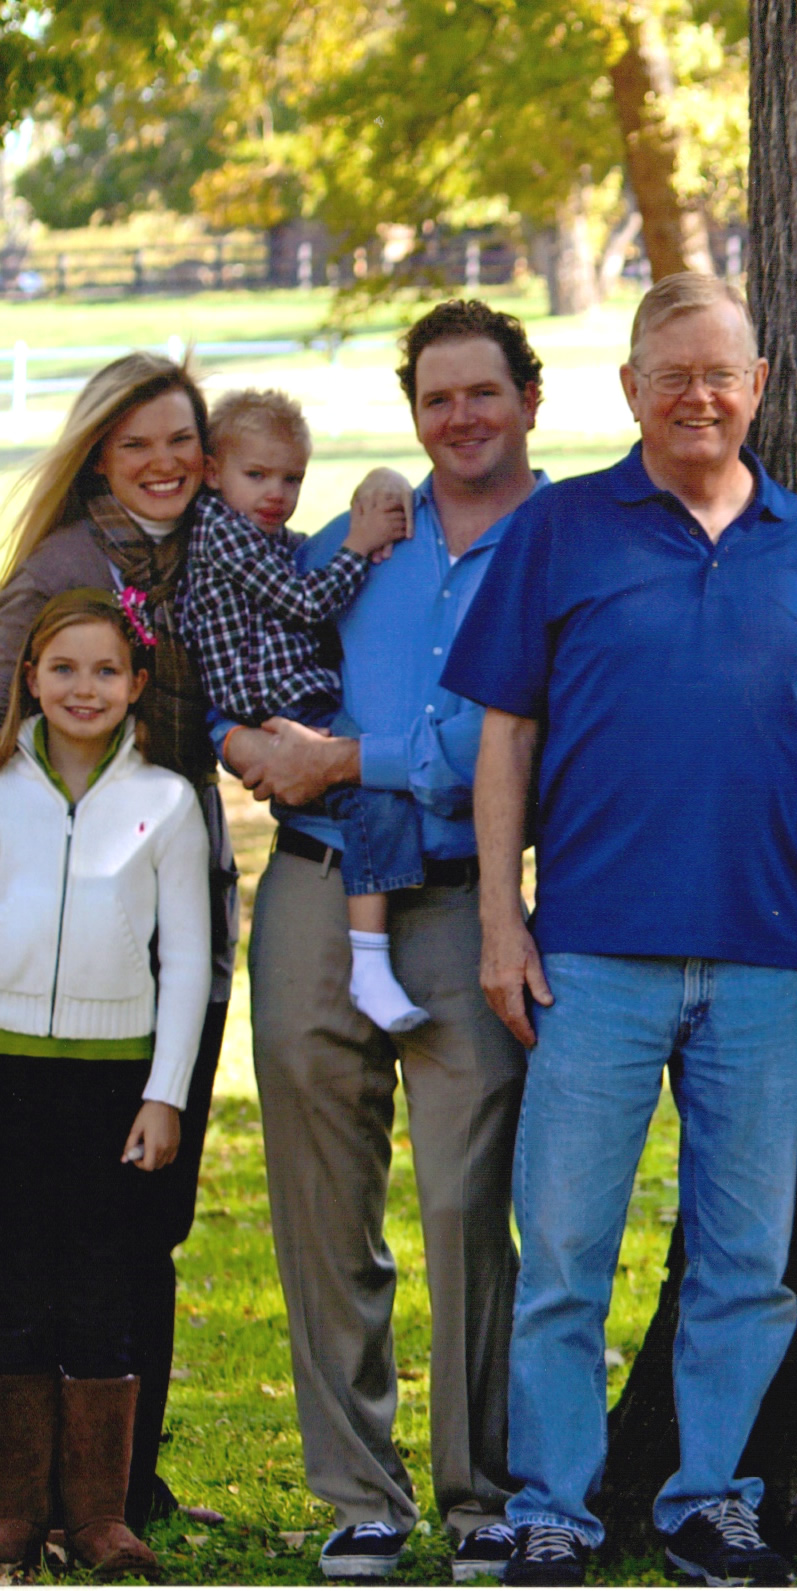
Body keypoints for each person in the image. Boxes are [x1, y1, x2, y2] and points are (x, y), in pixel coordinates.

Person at [443, 272, 797, 1589]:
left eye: (719, 372)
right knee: (563, 1246)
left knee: (747, 1254)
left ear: (759, 385)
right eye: (670, 373)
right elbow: (504, 732)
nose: (696, 395)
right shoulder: (562, 526)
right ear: (628, 388)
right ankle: (552, 1504)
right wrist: (503, 920)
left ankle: (709, 1499)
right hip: (595, 952)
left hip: (759, 953)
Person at [221, 300, 548, 1583]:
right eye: (436, 397)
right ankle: (358, 1490)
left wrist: (359, 758)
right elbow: (256, 657)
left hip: (471, 898)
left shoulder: (564, 545)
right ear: (414, 412)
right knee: (321, 1200)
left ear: (527, 397)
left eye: (483, 392)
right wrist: (240, 742)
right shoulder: (364, 537)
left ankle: (478, 1496)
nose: (460, 417)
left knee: (470, 1200)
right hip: (313, 891)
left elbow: (540, 734)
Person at [0, 352, 236, 1535]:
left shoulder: (217, 549)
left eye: (181, 440)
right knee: (33, 1236)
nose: (163, 462)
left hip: (181, 895)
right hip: (51, 954)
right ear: (99, 451)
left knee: (149, 1213)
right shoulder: (59, 574)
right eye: (137, 442)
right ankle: (31, 1497)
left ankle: (121, 1489)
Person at [0, 590, 209, 1580]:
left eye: (105, 670)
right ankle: (12, 1510)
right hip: (7, 1076)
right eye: (63, 668)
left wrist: (165, 1092)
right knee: (13, 1284)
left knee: (100, 1285)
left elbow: (191, 965)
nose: (84, 688)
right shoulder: (0, 787)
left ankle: (98, 1516)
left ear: (135, 685)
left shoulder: (165, 801)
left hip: (113, 1085)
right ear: (30, 677)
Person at [182, 389, 431, 1033]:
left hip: (282, 694)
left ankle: (373, 958)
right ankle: (370, 964)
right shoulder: (221, 534)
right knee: (372, 786)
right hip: (274, 702)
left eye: (292, 479)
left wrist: (368, 512)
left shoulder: (249, 533)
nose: (277, 493)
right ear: (213, 472)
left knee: (369, 789)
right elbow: (305, 601)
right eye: (257, 475)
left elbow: (298, 555)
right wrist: (359, 545)